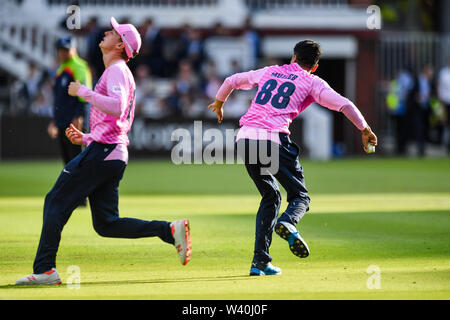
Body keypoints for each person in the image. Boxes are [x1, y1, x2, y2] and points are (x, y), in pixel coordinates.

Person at [16, 18, 191, 285]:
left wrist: (83, 92)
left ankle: (45, 269)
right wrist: (86, 136)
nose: (107, 32)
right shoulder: (117, 70)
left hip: (105, 153)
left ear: (120, 45)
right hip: (111, 152)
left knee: (55, 201)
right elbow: (115, 120)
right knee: (106, 224)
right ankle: (167, 230)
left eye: (113, 32)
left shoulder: (117, 70)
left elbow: (118, 107)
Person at [208, 40, 377, 276]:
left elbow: (231, 81)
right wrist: (365, 128)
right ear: (315, 67)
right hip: (273, 139)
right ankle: (288, 222)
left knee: (270, 196)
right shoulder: (312, 81)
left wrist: (219, 102)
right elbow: (344, 105)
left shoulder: (270, 71)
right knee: (300, 196)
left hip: (245, 138)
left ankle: (260, 263)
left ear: (293, 58)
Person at [47, 37, 92, 167]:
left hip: (73, 121)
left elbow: (84, 94)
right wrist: (54, 120)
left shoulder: (79, 66)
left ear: (74, 50)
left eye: (66, 50)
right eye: (60, 50)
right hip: (62, 121)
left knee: (77, 161)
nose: (63, 53)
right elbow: (59, 98)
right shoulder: (61, 69)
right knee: (68, 163)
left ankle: (84, 187)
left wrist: (80, 115)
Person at [438, 57, 450, 153]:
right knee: (445, 123)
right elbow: (440, 90)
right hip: (445, 102)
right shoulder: (443, 73)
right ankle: (446, 145)